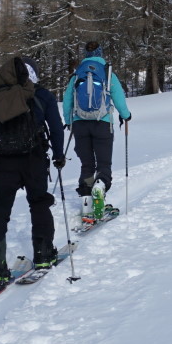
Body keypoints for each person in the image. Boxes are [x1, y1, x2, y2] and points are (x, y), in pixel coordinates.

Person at [0, 56, 67, 287]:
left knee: (0, 209)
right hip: (34, 159)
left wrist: (4, 137)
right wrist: (58, 154)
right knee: (39, 203)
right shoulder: (42, 95)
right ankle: (44, 253)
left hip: (4, 162)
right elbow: (56, 128)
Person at [61, 42, 131, 220]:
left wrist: (69, 121)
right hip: (102, 124)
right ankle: (100, 186)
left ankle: (86, 201)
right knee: (103, 164)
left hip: (80, 124)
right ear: (100, 53)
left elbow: (67, 99)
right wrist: (126, 115)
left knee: (87, 165)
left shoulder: (78, 73)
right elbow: (118, 97)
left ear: (86, 54)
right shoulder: (107, 72)